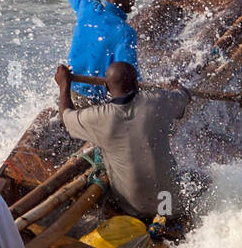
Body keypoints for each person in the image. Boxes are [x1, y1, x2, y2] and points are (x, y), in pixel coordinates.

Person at [53, 61, 191, 221]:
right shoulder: (159, 100)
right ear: (136, 84)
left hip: (132, 207)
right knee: (194, 180)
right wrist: (176, 88)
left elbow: (66, 117)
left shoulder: (97, 117)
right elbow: (185, 97)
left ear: (106, 88)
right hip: (168, 203)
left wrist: (64, 84)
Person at [67, 0, 141, 99]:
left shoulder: (87, 5)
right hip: (94, 99)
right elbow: (128, 75)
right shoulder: (125, 32)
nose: (134, 0)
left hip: (69, 88)